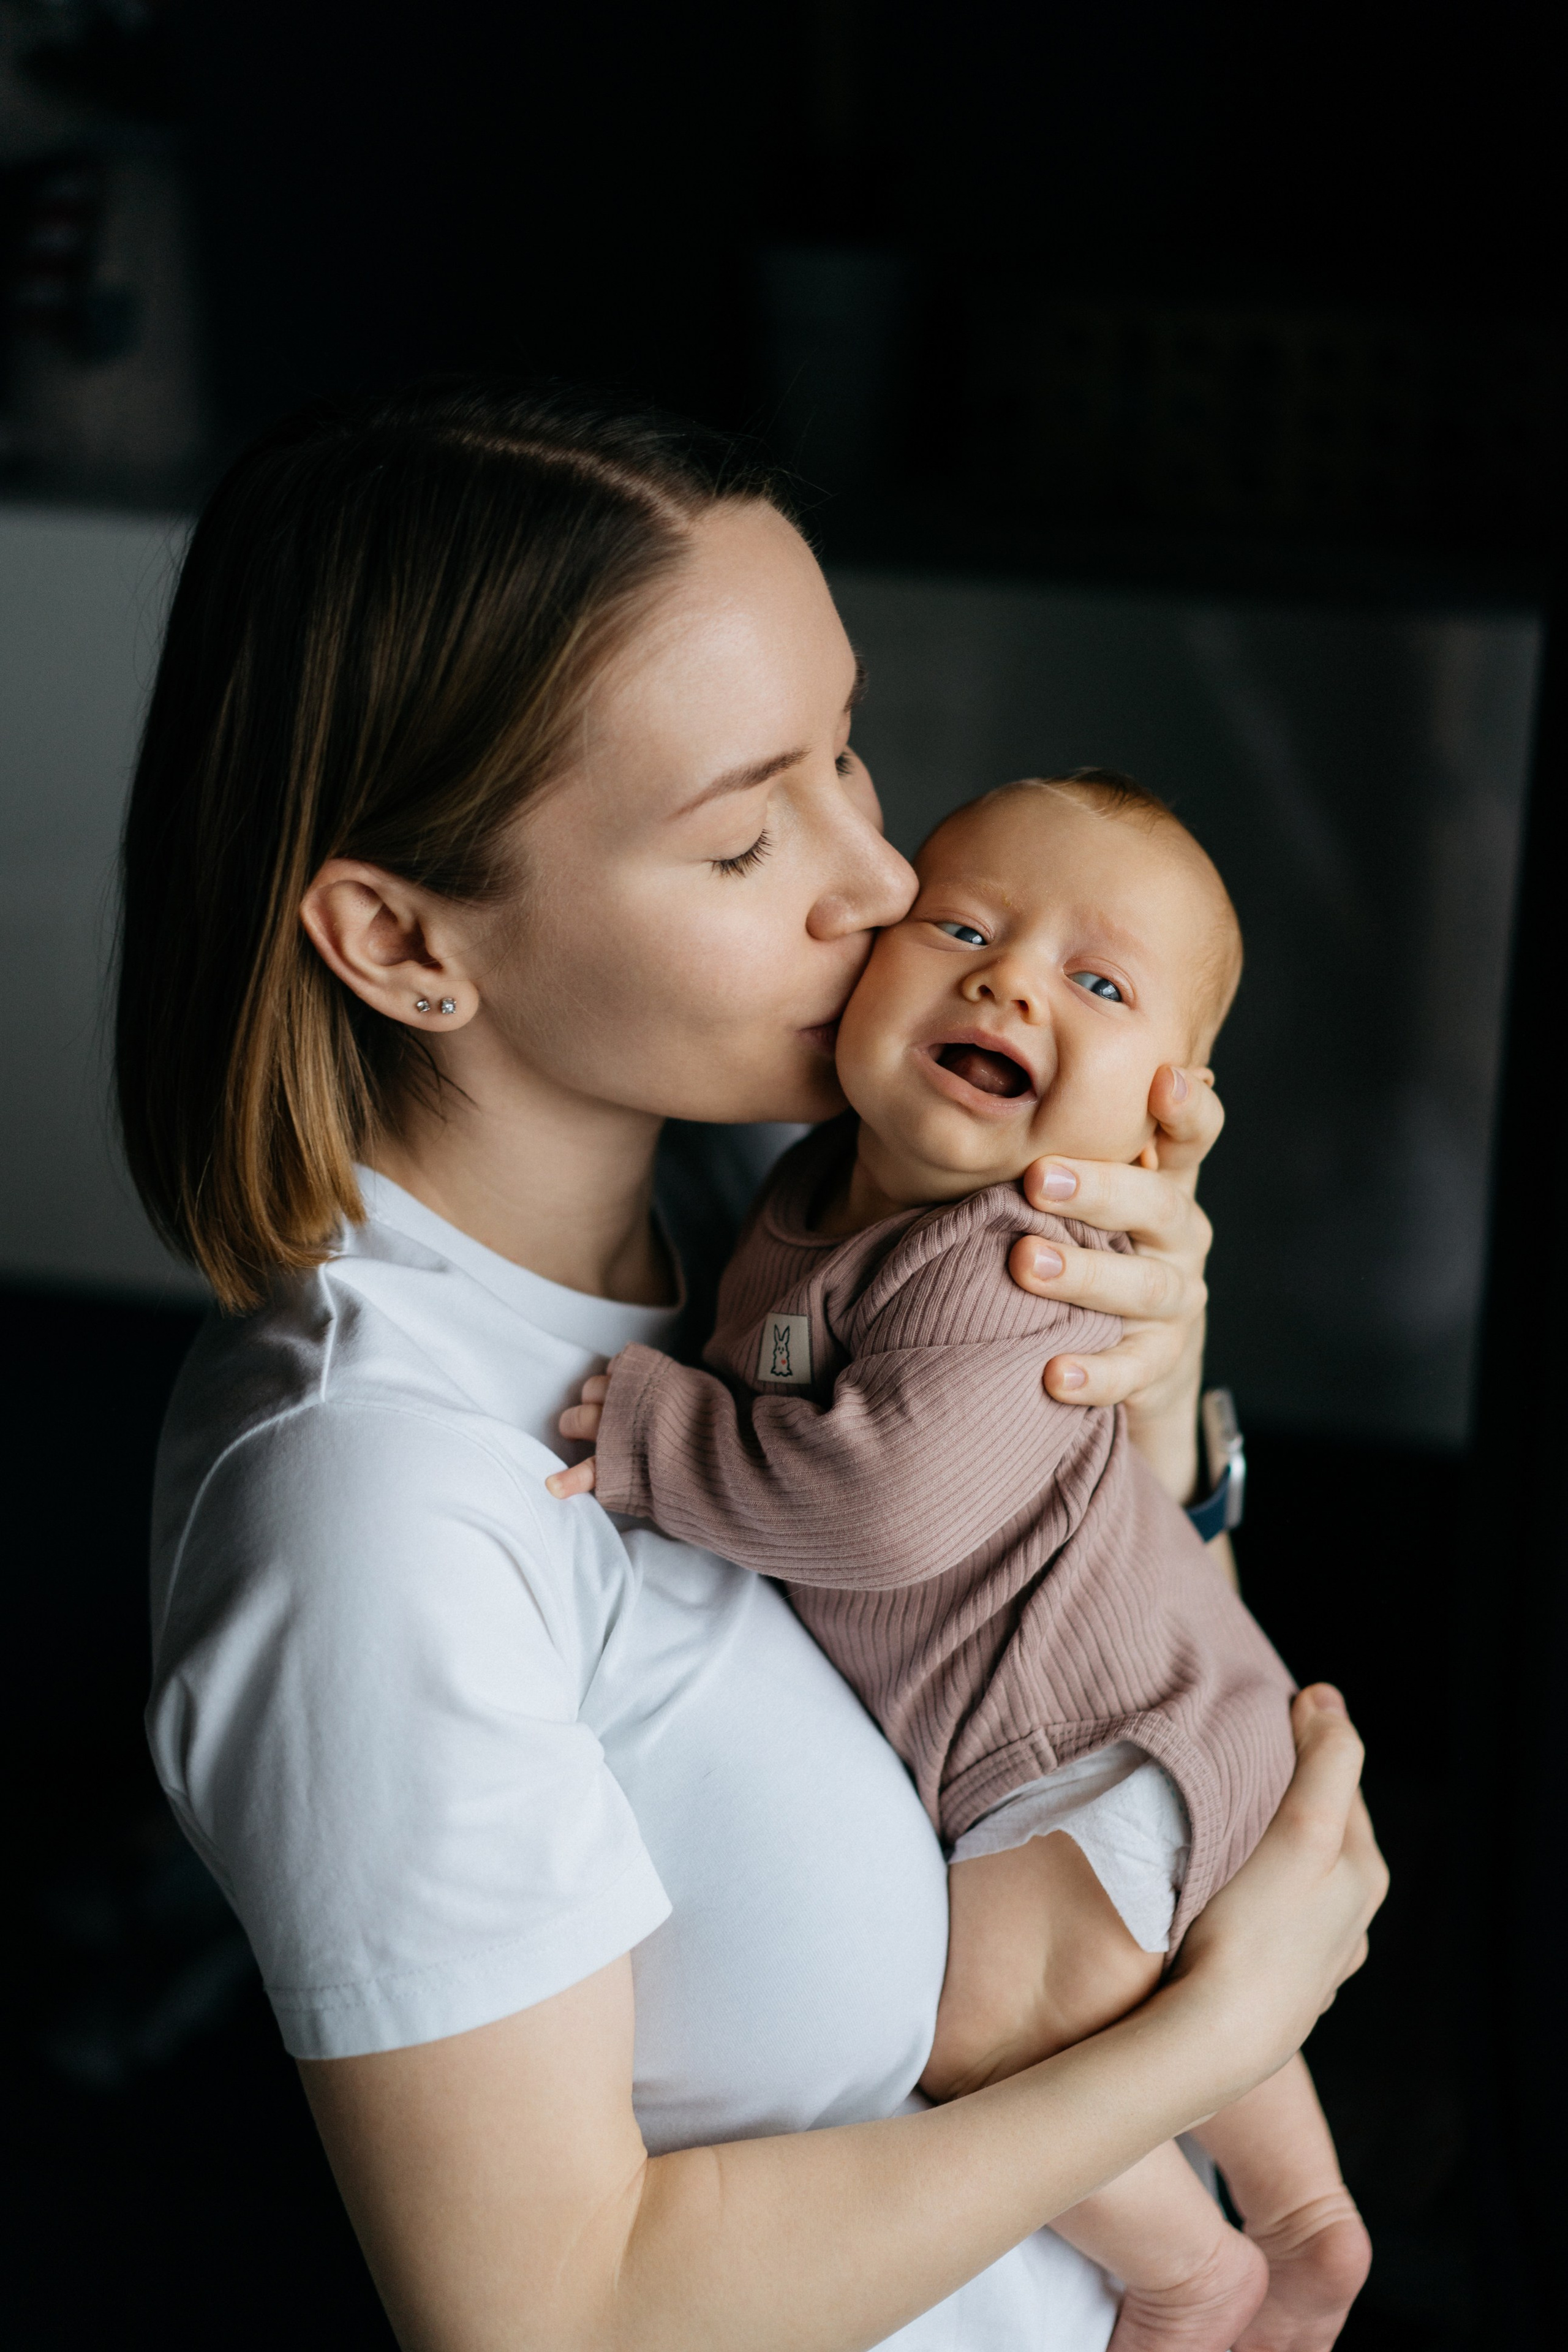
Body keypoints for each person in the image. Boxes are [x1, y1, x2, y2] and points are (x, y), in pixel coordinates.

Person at [118, 380, 1385, 2352]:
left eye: (847, 757)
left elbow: (1058, 1669)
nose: (881, 883)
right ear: (400, 937)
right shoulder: (369, 1507)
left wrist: (1151, 1405)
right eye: (741, 839)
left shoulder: (775, 1200)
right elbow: (549, 2316)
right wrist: (1224, 2029)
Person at [550, 769, 1368, 2350]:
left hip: (1092, 1744)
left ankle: (1195, 2270)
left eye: (1100, 981)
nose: (1008, 980)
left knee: (990, 2024)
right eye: (964, 926)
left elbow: (882, 1512)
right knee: (1191, 2000)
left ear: (1166, 1115)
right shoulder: (807, 1194)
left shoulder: (1003, 1259)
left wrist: (662, 1441)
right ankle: (1310, 2224)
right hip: (1145, 1704)